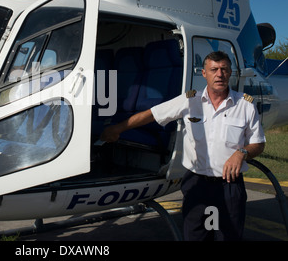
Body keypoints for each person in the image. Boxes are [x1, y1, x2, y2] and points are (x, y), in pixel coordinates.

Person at [100, 51, 266, 241]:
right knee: (195, 236)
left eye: (224, 69)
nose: (219, 74)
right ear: (204, 73)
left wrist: (241, 153)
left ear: (230, 73)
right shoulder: (189, 100)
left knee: (228, 237)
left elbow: (258, 143)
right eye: (214, 70)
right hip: (197, 184)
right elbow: (153, 113)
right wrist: (118, 128)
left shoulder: (245, 106)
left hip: (229, 186)